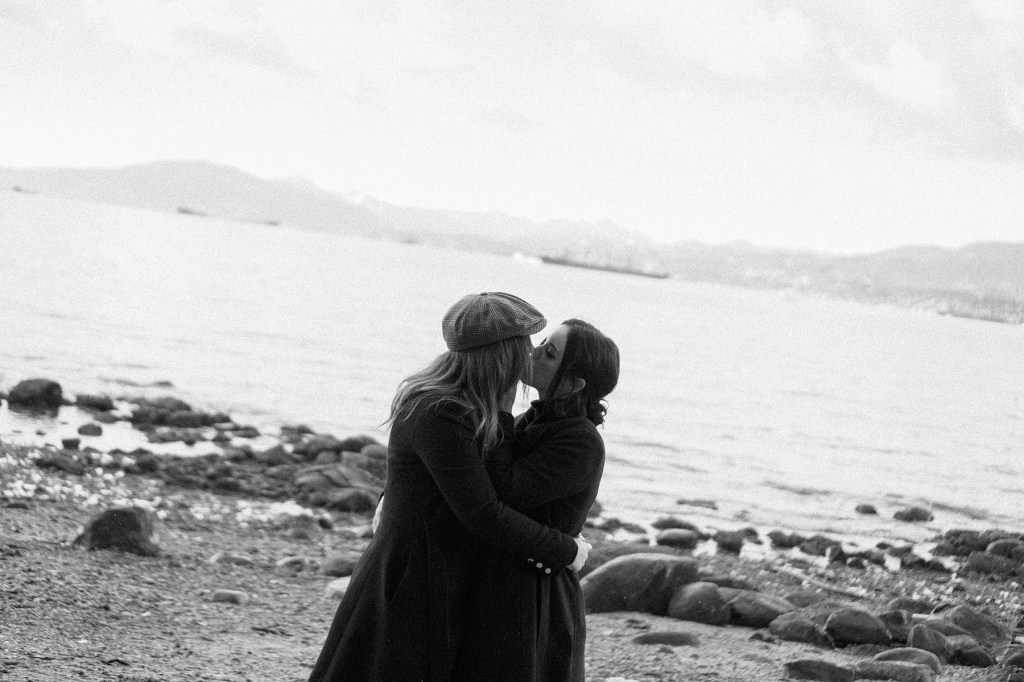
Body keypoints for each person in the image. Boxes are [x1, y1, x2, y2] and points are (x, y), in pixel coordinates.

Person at [307, 292, 591, 682]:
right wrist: (567, 550)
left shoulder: (472, 404)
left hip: (443, 572)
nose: (529, 355)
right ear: (500, 355)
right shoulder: (440, 409)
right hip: (411, 578)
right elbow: (483, 512)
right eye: (524, 346)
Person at [452, 318, 620, 682]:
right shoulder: (538, 419)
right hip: (510, 583)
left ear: (573, 384)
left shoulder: (580, 441)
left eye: (549, 353)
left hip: (534, 597)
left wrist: (499, 406)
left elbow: (507, 489)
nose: (533, 352)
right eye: (542, 343)